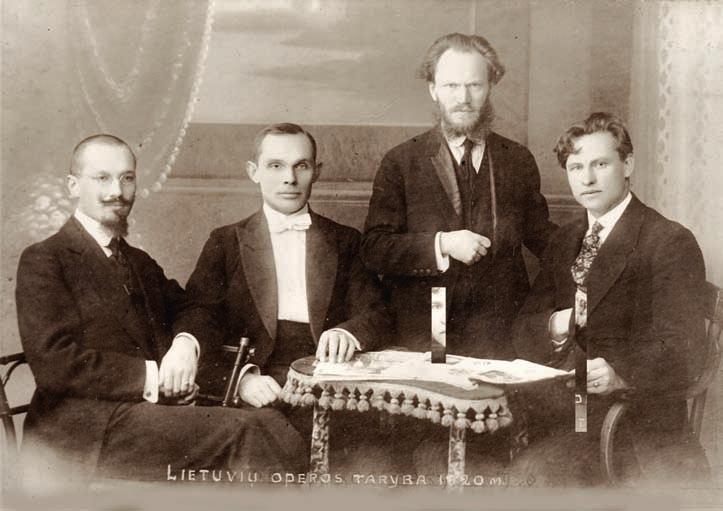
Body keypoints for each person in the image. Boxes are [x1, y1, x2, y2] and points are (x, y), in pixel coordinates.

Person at [15, 135, 306, 485]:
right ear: (73, 186)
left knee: (269, 421)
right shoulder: (45, 259)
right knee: (248, 430)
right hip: (80, 434)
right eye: (102, 178)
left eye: (127, 178)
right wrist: (155, 378)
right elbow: (55, 364)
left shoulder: (138, 262)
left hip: (143, 417)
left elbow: (195, 307)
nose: (117, 191)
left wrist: (185, 344)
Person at [510, 112, 710, 486]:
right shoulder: (565, 240)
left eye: (600, 164)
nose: (587, 179)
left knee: (532, 476)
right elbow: (523, 328)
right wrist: (556, 324)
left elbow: (685, 348)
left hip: (633, 425)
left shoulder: (667, 241)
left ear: (627, 164)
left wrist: (619, 372)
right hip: (567, 413)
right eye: (576, 167)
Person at [361, 33, 556, 360]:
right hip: (425, 331)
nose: (463, 98)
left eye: (474, 85)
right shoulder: (401, 161)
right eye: (451, 85)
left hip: (500, 333)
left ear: (490, 87)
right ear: (433, 89)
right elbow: (374, 248)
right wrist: (443, 244)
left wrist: (598, 246)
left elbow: (542, 236)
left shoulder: (517, 159)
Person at [174, 123, 391, 408]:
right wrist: (241, 380)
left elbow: (377, 312)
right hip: (258, 378)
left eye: (301, 166)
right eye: (275, 166)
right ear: (254, 172)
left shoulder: (345, 241)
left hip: (329, 378)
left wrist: (347, 332)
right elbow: (200, 317)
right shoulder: (225, 242)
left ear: (317, 172)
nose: (290, 178)